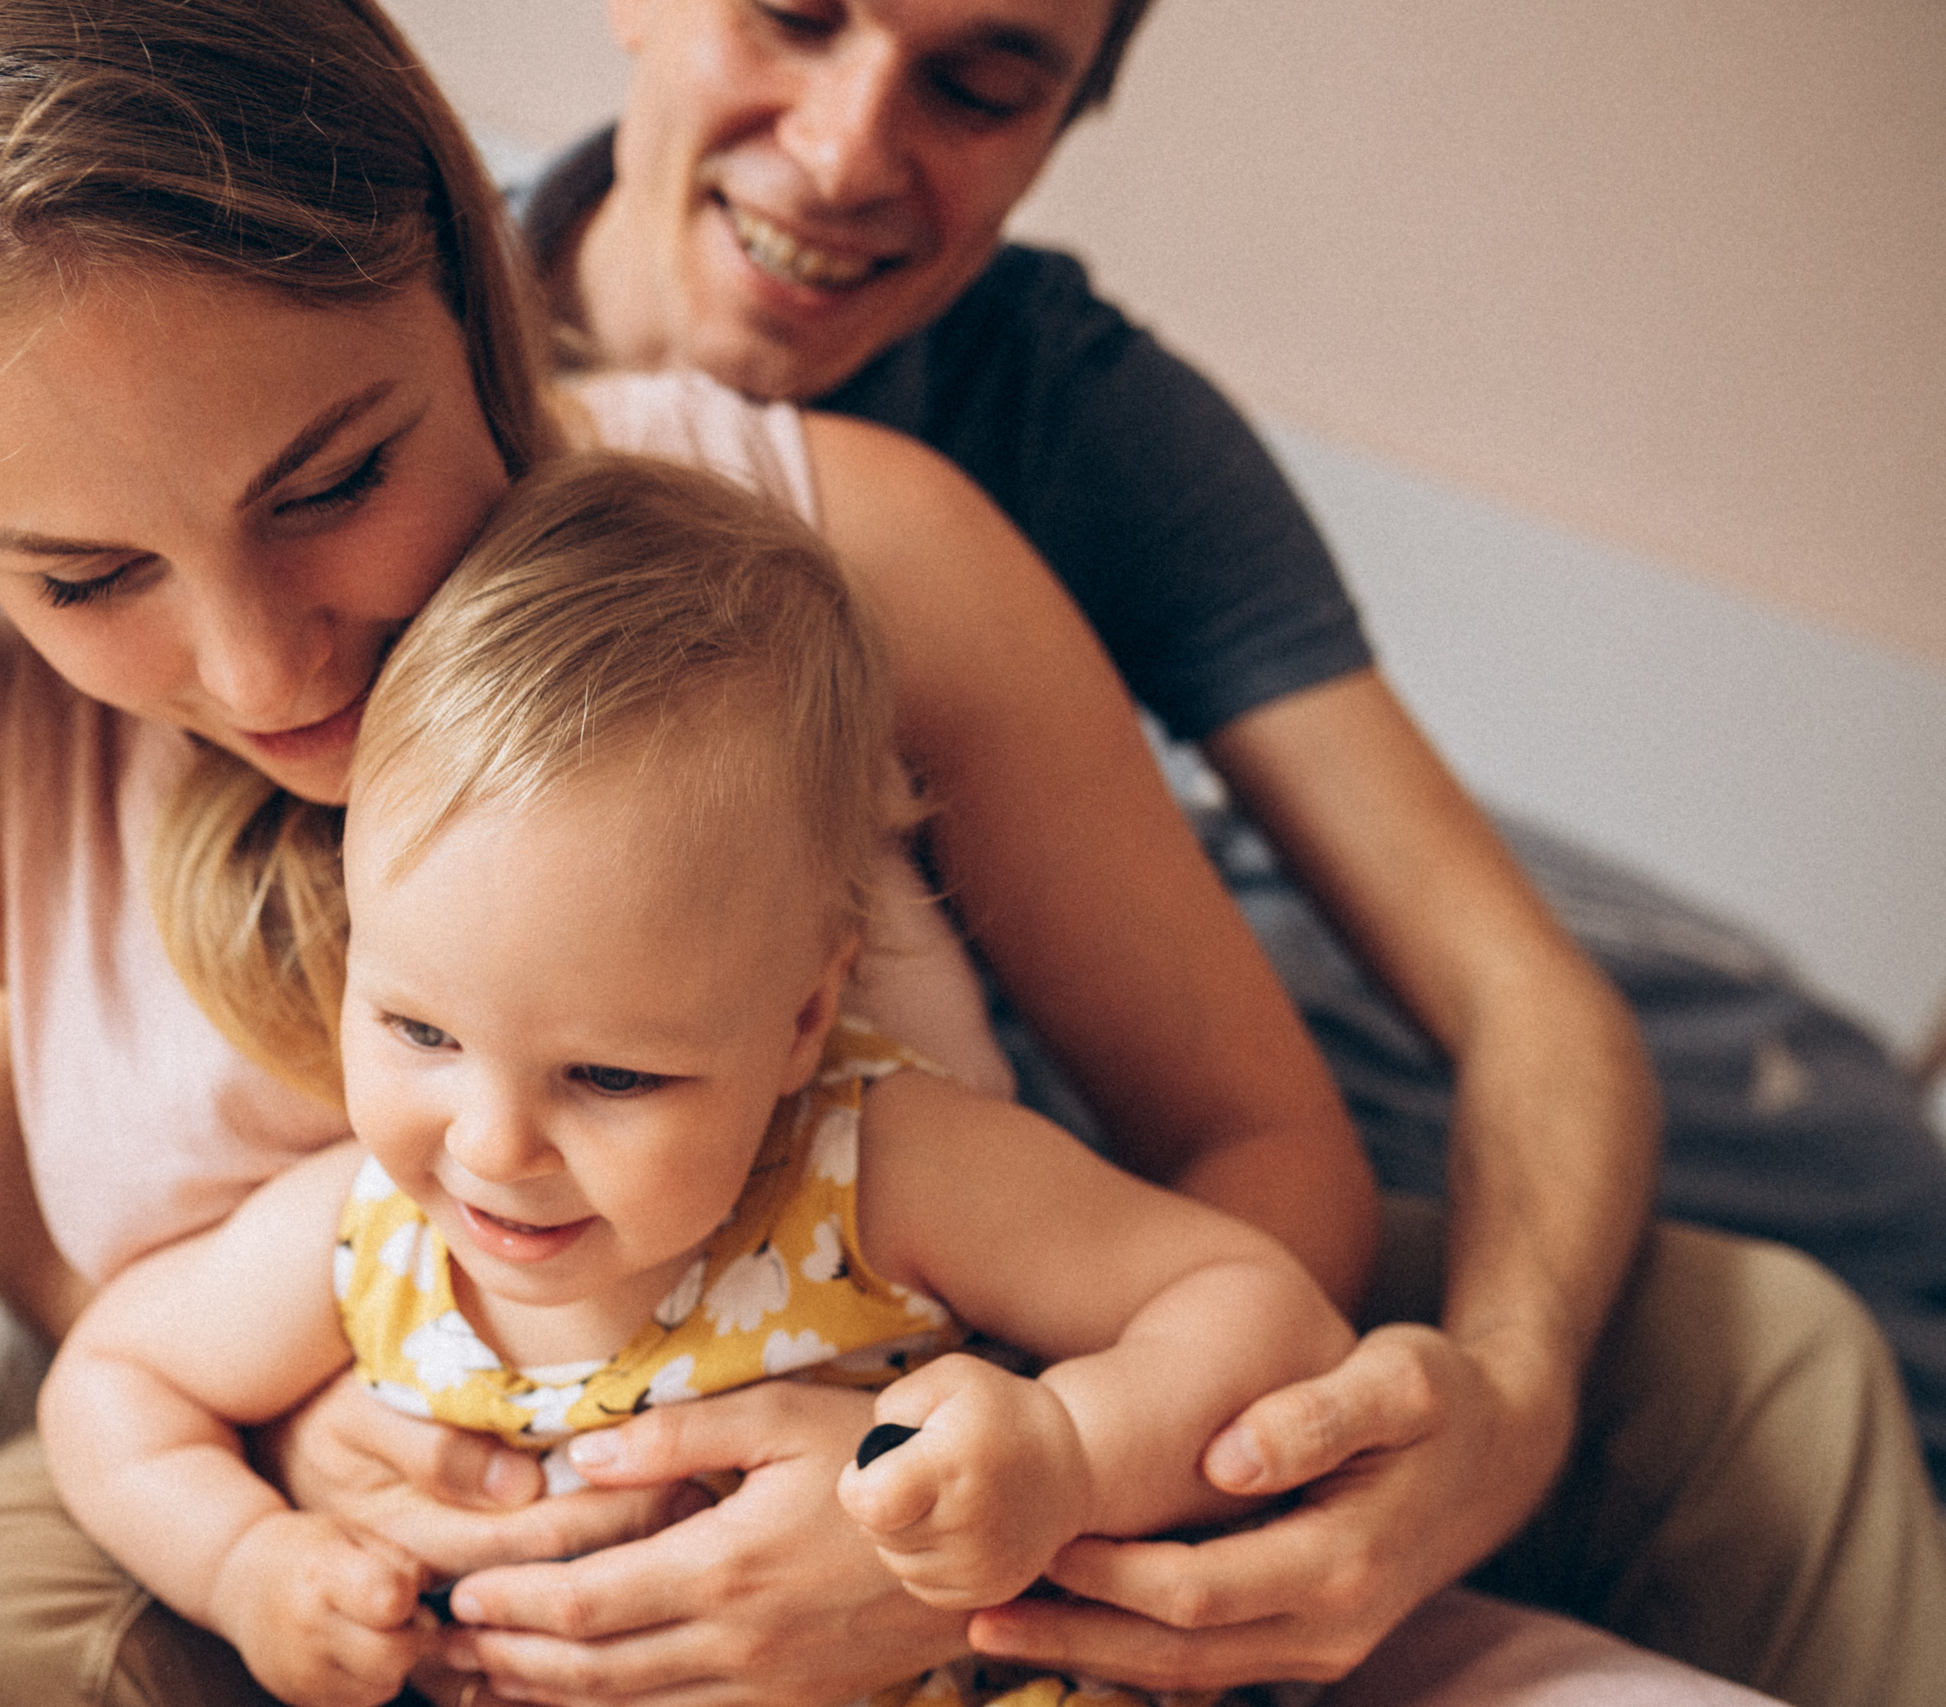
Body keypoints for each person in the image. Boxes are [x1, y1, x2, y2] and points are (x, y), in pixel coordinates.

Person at [0, 0, 1375, 1699]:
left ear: (463, 279)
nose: (263, 665)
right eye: (82, 572)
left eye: (332, 476)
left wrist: (981, 1509)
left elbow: (1260, 1156)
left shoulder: (829, 552)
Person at [492, 2, 1946, 1704]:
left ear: (1067, 119)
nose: (842, 149)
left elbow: (1516, 991)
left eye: (977, 86)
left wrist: (1498, 1403)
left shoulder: (1079, 419)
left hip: (1046, 1244)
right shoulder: (383, 346)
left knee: (1787, 1361)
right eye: (796, 14)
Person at [37, 450, 1360, 1707]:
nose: (493, 1145)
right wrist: (239, 1562)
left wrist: (1068, 1453)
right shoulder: (366, 1242)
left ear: (800, 1018)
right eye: (419, 1032)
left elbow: (1259, 1308)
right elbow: (111, 1387)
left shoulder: (868, 1166)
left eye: (612, 1076)